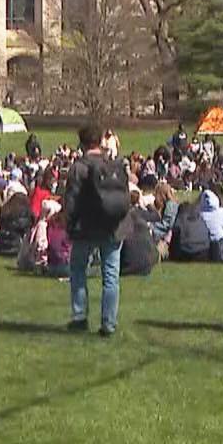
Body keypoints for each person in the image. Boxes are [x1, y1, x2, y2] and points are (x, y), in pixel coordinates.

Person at [63, 126, 131, 337]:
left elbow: (71, 200)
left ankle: (80, 316)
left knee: (78, 270)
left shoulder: (79, 168)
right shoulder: (114, 164)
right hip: (113, 225)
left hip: (86, 226)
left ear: (82, 144)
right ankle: (108, 322)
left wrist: (69, 223)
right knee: (111, 276)